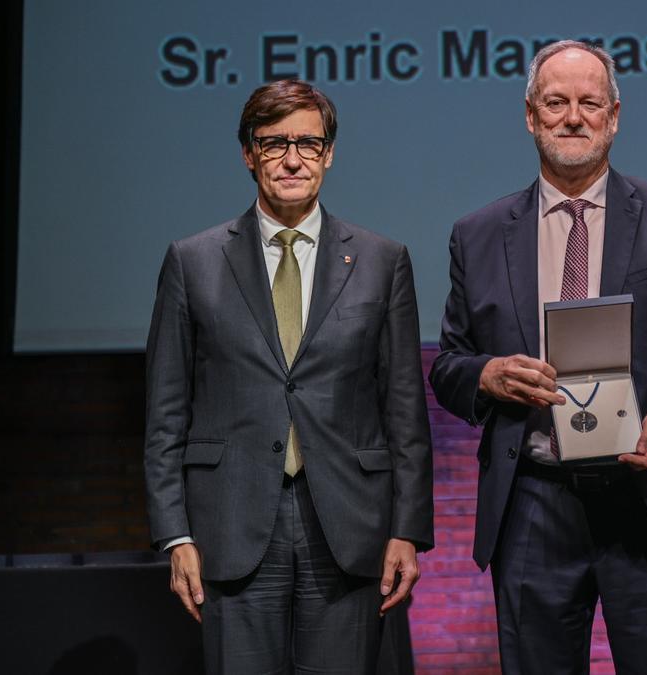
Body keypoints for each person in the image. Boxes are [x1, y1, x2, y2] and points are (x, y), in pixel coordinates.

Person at [428, 40, 647, 674]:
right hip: (533, 504)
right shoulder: (478, 233)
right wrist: (486, 374)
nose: (573, 116)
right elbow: (450, 362)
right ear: (530, 115)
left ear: (614, 115)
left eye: (589, 103)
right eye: (556, 102)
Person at [143, 79, 433, 673]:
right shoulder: (192, 260)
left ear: (329, 153)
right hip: (231, 524)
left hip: (350, 528)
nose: (292, 159)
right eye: (273, 144)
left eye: (308, 142)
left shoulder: (383, 261)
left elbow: (405, 409)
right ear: (248, 154)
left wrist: (408, 530)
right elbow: (165, 414)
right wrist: (175, 535)